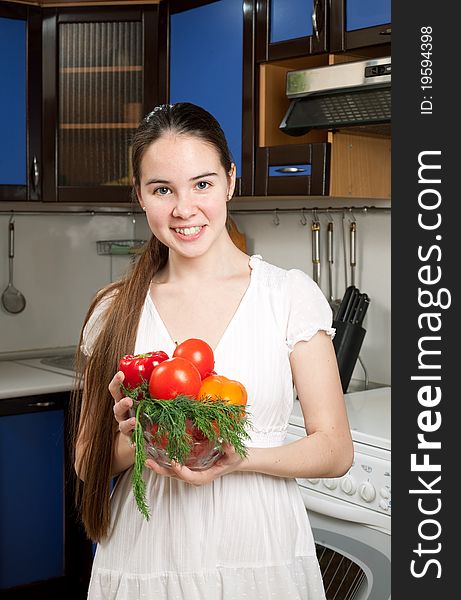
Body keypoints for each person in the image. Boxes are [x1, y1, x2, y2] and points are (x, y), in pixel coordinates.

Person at [72, 102, 354, 600]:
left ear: (230, 180)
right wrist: (136, 435)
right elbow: (85, 461)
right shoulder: (115, 309)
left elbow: (335, 450)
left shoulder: (287, 295)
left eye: (202, 184)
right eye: (163, 189)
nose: (184, 209)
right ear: (139, 195)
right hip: (148, 557)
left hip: (261, 552)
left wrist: (237, 459)